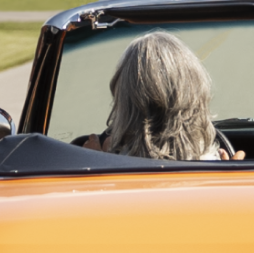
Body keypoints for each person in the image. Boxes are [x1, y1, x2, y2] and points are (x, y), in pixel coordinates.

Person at [76, 30, 243, 160]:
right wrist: (234, 179)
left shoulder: (103, 173)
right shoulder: (219, 170)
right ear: (197, 98)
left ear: (125, 104)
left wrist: (94, 164)